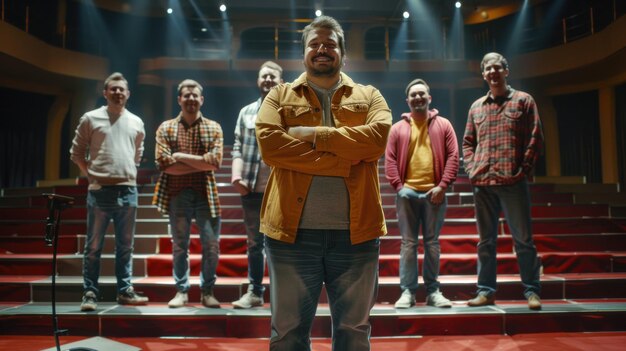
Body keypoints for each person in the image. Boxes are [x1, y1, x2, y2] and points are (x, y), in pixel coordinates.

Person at [255, 15, 392, 351]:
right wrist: (346, 159)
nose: (322, 50)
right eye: (314, 44)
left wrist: (314, 135)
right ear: (303, 53)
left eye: (330, 44)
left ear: (342, 53)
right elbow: (270, 146)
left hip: (356, 236)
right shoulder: (278, 96)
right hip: (291, 236)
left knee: (354, 333)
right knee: (287, 335)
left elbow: (376, 140)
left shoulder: (370, 95)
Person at [463, 52, 544, 310]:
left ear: (506, 71)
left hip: (513, 181)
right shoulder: (476, 107)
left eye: (498, 67)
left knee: (523, 240)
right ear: (484, 74)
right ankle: (486, 291)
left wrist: (523, 170)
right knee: (486, 242)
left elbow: (535, 137)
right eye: (488, 69)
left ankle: (532, 291)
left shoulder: (523, 100)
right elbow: (467, 143)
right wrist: (472, 168)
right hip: (483, 183)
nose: (493, 72)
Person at [70, 72, 148, 311]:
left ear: (128, 94)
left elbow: (138, 153)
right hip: (100, 190)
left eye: (121, 89)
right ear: (105, 93)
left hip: (127, 191)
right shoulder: (90, 118)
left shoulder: (136, 121)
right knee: (93, 247)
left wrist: (126, 171)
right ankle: (90, 293)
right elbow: (76, 153)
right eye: (112, 89)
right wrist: (91, 174)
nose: (117, 93)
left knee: (126, 247)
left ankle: (124, 291)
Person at [384, 78, 459, 309]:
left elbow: (453, 157)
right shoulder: (397, 128)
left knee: (432, 244)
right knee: (408, 244)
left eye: (421, 94)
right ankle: (407, 291)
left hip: (434, 194)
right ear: (407, 100)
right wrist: (399, 187)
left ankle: (433, 291)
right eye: (413, 95)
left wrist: (442, 186)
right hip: (407, 194)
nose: (417, 98)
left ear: (429, 98)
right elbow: (390, 160)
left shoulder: (444, 125)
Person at [153, 79, 224, 308]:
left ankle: (207, 291)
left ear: (201, 99)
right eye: (187, 95)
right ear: (179, 99)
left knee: (211, 245)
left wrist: (180, 156)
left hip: (205, 194)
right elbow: (164, 164)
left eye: (195, 95)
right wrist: (200, 162)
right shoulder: (166, 128)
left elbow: (215, 163)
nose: (191, 99)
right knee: (180, 246)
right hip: (177, 194)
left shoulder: (214, 127)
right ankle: (181, 291)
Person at [230, 61, 284, 309]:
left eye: (273, 76)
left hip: (281, 189)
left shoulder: (289, 111)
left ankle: (281, 295)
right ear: (258, 80)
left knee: (282, 244)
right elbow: (238, 147)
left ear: (281, 81)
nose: (268, 80)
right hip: (252, 188)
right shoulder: (246, 112)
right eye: (264, 76)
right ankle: (255, 292)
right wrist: (236, 178)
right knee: (254, 244)